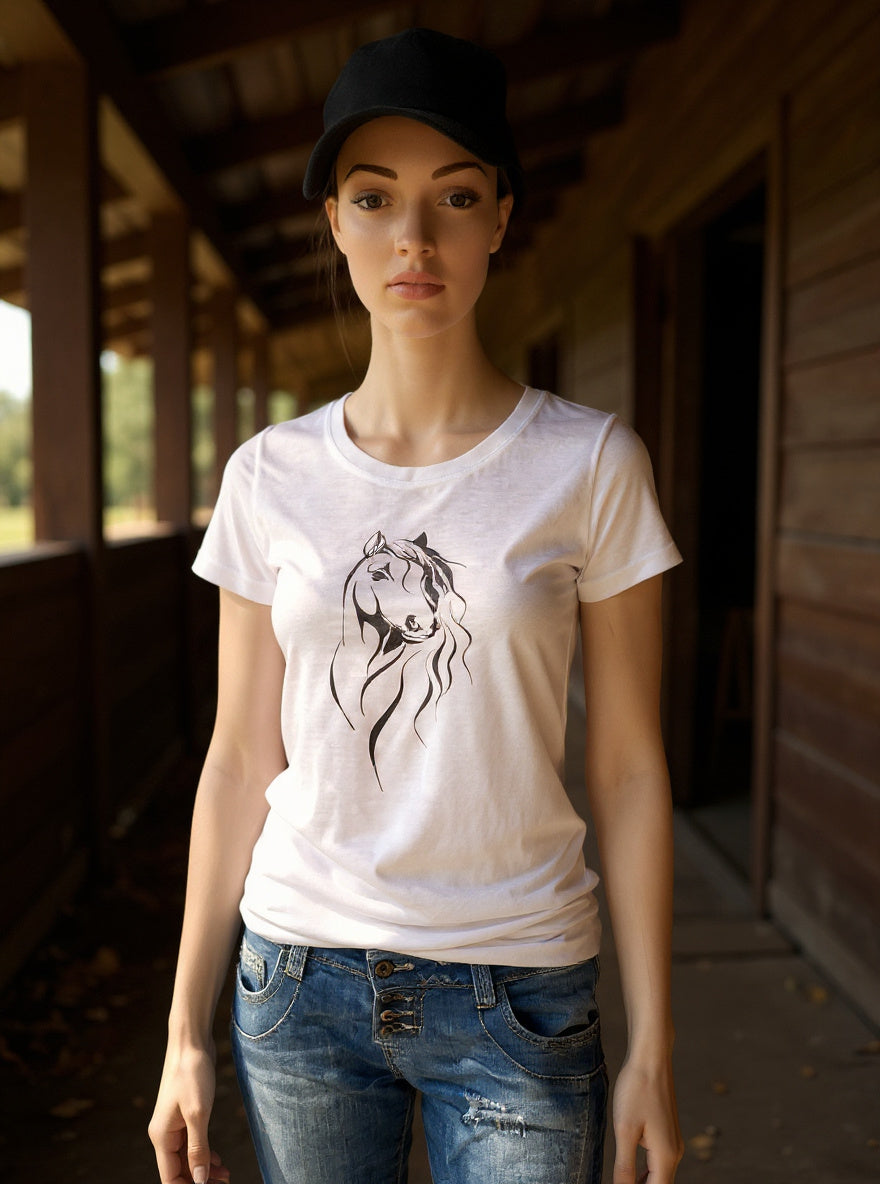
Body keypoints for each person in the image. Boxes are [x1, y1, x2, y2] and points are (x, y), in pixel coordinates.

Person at [149, 26, 685, 1184]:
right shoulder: (268, 475)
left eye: (455, 195)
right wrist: (183, 1028)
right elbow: (238, 756)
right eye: (374, 196)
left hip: (519, 988)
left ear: (500, 217)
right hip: (298, 981)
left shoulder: (591, 462)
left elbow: (630, 766)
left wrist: (653, 1042)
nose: (414, 236)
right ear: (334, 221)